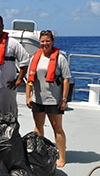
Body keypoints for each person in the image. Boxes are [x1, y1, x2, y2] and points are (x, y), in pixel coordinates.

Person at [25, 30, 71, 168]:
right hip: (38, 99)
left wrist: (63, 98)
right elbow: (30, 80)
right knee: (38, 126)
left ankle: (62, 156)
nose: (45, 44)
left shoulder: (60, 58)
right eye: (42, 41)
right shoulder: (35, 58)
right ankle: (40, 153)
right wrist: (28, 96)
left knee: (57, 128)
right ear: (39, 42)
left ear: (52, 41)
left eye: (47, 41)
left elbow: (66, 79)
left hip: (54, 100)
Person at [0, 14, 29, 117]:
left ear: (2, 26)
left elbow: (24, 61)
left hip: (6, 87)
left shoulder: (12, 43)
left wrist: (19, 80)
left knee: (8, 117)